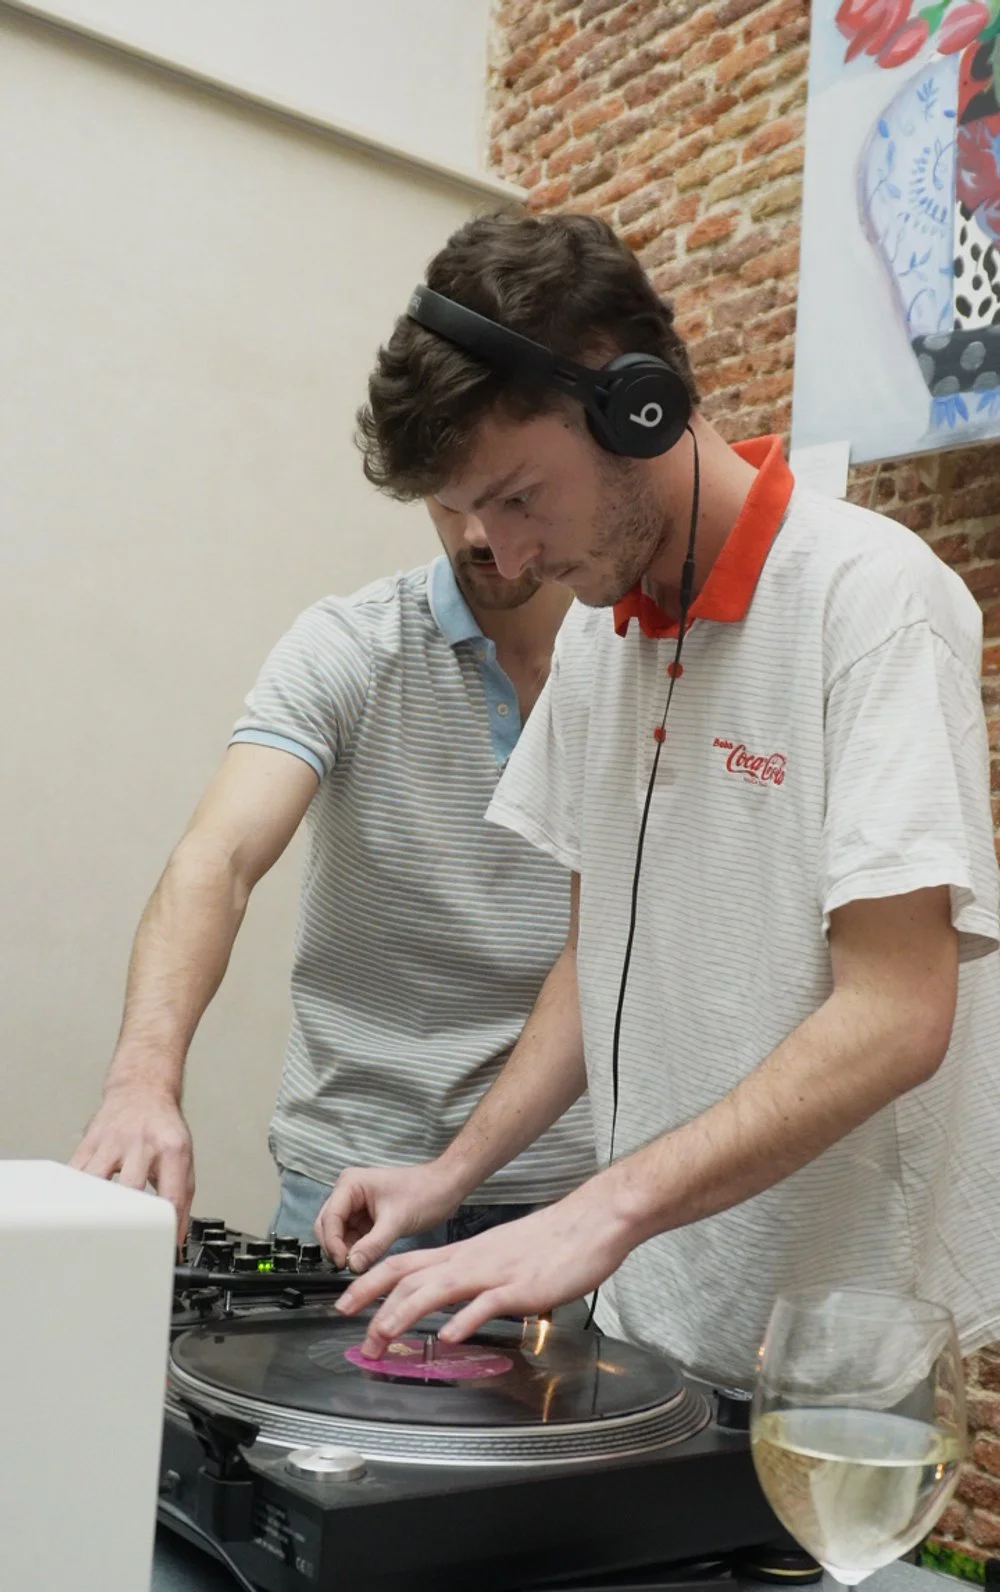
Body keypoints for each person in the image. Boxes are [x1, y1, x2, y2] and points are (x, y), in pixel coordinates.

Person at [322, 208, 1000, 1387]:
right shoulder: (601, 637)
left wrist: (600, 1206)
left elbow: (898, 1007)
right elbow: (598, 962)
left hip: (838, 1351)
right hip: (653, 1311)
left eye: (521, 498)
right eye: (475, 521)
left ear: (636, 405)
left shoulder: (873, 599)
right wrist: (455, 1172)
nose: (509, 559)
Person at [71, 495, 595, 1242]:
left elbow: (600, 947)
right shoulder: (349, 642)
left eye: (511, 499)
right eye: (452, 499)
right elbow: (217, 860)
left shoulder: (627, 656)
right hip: (349, 1181)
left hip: (565, 1192)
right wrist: (141, 1081)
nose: (480, 535)